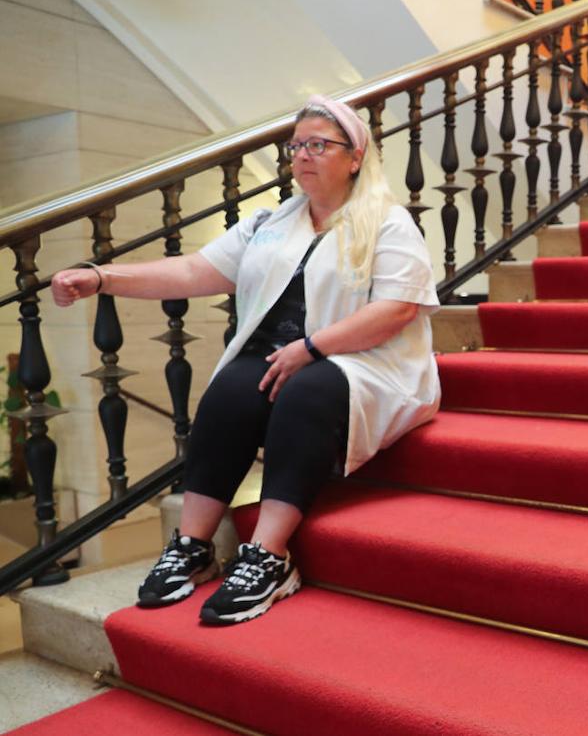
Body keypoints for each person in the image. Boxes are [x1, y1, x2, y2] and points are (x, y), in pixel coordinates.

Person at [51, 95, 441, 625]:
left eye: (319, 145)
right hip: (286, 357)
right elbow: (193, 272)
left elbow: (397, 309)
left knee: (307, 388)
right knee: (233, 387)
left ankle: (269, 555)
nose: (303, 155)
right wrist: (101, 278)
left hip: (366, 363)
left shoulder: (388, 223)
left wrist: (312, 348)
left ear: (355, 156)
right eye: (296, 145)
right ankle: (192, 546)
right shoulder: (272, 222)